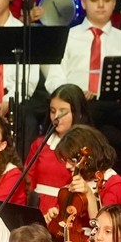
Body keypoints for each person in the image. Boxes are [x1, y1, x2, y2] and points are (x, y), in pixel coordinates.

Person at [49, 0, 121, 160]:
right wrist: (74, 94)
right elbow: (54, 79)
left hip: (115, 107)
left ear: (114, 3)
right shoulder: (66, 37)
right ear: (83, 2)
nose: (101, 5)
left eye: (106, 0)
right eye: (94, 0)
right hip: (81, 106)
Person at [25, 84, 90, 216]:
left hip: (66, 210)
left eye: (63, 111)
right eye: (53, 111)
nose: (56, 117)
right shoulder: (40, 144)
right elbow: (28, 180)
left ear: (78, 112)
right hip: (37, 207)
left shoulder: (86, 147)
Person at [46, 125, 121, 225]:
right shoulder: (77, 177)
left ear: (90, 157)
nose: (67, 166)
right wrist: (55, 216)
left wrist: (89, 194)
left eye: (72, 161)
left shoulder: (115, 183)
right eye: (66, 160)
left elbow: (102, 227)